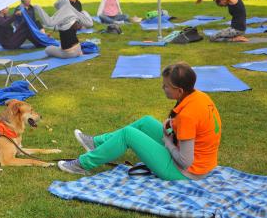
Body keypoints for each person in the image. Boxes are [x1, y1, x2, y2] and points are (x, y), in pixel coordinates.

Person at [58, 62, 222, 181]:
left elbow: (185, 161)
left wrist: (168, 142)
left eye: (166, 86)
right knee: (146, 122)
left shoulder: (188, 115)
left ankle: (82, 165)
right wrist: (172, 129)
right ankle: (96, 143)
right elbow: (195, 132)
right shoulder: (198, 96)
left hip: (186, 172)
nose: (162, 88)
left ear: (179, 90)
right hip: (198, 161)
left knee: (128, 135)